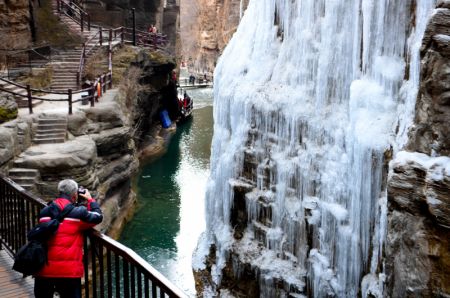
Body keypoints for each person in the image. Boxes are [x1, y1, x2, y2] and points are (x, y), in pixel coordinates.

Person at [34, 179, 103, 298]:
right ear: (75, 194)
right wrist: (90, 200)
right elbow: (97, 217)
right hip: (68, 272)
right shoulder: (78, 213)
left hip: (44, 269)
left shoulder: (45, 211)